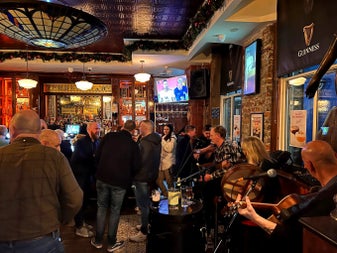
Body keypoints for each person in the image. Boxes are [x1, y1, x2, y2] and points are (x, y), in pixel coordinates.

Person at [0, 109, 83, 253]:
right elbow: (75, 198)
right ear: (40, 130)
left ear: (12, 129)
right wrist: (61, 220)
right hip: (44, 236)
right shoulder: (54, 157)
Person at [236, 140, 337, 253]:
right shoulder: (324, 193)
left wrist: (255, 218)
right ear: (335, 156)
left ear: (309, 165)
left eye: (304, 164)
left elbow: (289, 236)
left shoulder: (320, 201)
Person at [91, 120, 140, 252]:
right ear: (134, 131)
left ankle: (98, 240)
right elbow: (136, 166)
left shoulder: (109, 136)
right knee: (115, 211)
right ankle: (111, 243)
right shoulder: (133, 144)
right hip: (120, 181)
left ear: (123, 127)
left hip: (102, 177)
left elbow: (97, 155)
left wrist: (99, 170)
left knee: (101, 208)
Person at [129, 120, 161, 242]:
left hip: (141, 177)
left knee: (143, 205)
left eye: (140, 127)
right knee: (148, 203)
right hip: (151, 175)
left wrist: (132, 169)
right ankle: (146, 223)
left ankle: (144, 231)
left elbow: (140, 161)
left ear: (144, 128)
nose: (138, 129)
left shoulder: (145, 143)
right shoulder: (157, 140)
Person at [71, 121, 101, 238]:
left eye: (99, 128)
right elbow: (78, 159)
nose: (98, 131)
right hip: (80, 176)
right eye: (95, 129)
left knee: (86, 200)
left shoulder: (98, 142)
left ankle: (82, 222)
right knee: (80, 201)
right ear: (89, 129)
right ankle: (79, 226)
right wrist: (93, 158)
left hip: (90, 177)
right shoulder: (81, 142)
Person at [156, 123, 177, 197]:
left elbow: (169, 149)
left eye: (167, 129)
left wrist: (162, 141)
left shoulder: (172, 138)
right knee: (158, 180)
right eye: (164, 129)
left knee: (169, 181)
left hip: (169, 162)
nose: (165, 131)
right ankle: (166, 194)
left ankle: (172, 196)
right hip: (162, 162)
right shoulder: (163, 137)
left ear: (170, 130)